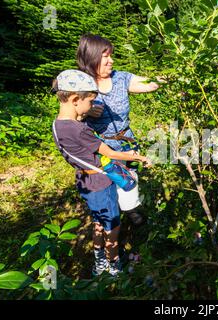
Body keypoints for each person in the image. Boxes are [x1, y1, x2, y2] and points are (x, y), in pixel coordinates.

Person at [51, 69, 152, 277]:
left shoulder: (58, 125)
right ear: (75, 99)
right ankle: (114, 265)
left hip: (84, 180)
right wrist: (139, 157)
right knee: (112, 225)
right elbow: (111, 153)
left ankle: (99, 262)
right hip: (100, 183)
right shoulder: (80, 130)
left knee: (98, 220)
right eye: (90, 101)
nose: (92, 106)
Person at [76, 34, 164, 226]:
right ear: (91, 57)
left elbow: (150, 83)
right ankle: (109, 218)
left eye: (111, 55)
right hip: (99, 146)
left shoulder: (121, 78)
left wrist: (171, 77)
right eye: (106, 56)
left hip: (125, 141)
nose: (111, 60)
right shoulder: (80, 83)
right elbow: (68, 115)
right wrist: (86, 112)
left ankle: (130, 209)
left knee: (129, 179)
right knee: (105, 185)